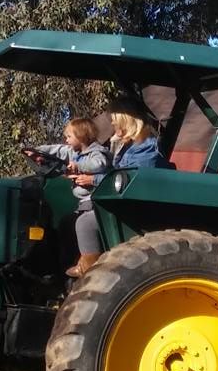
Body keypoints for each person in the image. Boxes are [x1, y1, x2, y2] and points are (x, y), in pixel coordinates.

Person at [67, 100, 166, 278]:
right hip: (126, 202)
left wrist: (93, 179)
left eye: (114, 118)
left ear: (126, 120)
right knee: (74, 217)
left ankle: (90, 275)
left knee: (86, 222)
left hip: (138, 207)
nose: (112, 123)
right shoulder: (129, 146)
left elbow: (129, 180)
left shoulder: (146, 148)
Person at [29, 117, 111, 209]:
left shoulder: (96, 152)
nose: (66, 140)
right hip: (83, 201)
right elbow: (59, 150)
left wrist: (78, 166)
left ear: (81, 137)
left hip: (96, 200)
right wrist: (36, 151)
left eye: (69, 137)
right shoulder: (74, 152)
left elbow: (99, 164)